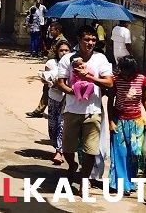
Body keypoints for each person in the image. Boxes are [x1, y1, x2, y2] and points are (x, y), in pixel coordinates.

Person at [57, 25, 114, 182]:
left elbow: (109, 83)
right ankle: (72, 165)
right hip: (72, 109)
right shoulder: (66, 59)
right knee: (68, 148)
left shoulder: (100, 59)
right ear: (79, 40)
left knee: (91, 149)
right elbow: (60, 82)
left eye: (93, 40)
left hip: (93, 110)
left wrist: (89, 78)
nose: (90, 43)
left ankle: (84, 179)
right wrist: (74, 92)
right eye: (87, 39)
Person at [109, 55, 146, 195]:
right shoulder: (116, 80)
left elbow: (145, 99)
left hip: (136, 122)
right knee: (120, 154)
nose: (126, 74)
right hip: (119, 120)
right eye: (123, 71)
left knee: (134, 154)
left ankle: (131, 182)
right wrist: (110, 122)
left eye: (128, 71)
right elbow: (110, 101)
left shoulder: (141, 79)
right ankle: (122, 185)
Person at [27, 22, 68, 118]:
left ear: (57, 30)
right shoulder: (56, 39)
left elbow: (62, 56)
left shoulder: (62, 41)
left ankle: (41, 110)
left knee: (50, 90)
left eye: (52, 30)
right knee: (46, 89)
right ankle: (40, 110)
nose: (50, 32)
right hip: (51, 68)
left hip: (57, 69)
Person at [42, 39, 71, 165]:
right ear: (57, 52)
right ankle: (56, 146)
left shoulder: (73, 63)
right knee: (53, 125)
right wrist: (50, 82)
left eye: (66, 50)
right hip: (53, 97)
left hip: (67, 98)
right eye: (61, 50)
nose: (64, 53)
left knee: (62, 124)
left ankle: (60, 152)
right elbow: (44, 79)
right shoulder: (51, 63)